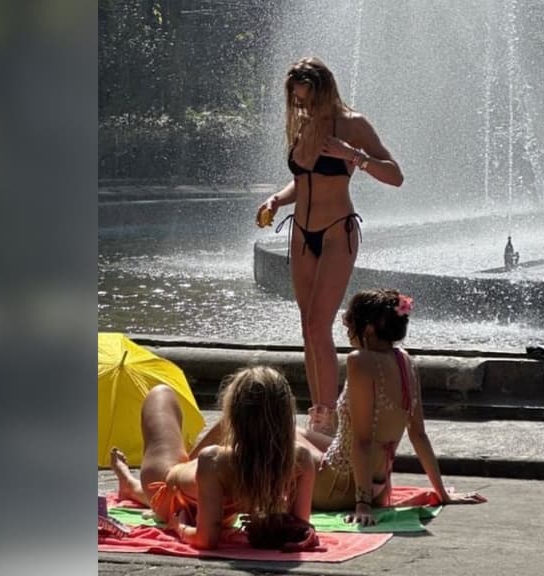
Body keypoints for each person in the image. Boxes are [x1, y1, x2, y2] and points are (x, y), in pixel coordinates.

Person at [256, 57, 404, 437]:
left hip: (338, 231)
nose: (301, 106)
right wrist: (276, 199)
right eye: (297, 100)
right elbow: (303, 180)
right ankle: (319, 410)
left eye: (306, 99)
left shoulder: (353, 124)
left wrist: (353, 156)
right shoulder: (305, 125)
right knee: (308, 325)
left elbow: (395, 175)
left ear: (324, 90)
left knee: (319, 323)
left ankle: (327, 415)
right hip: (302, 233)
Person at [297, 289, 487, 525]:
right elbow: (418, 434)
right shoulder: (405, 361)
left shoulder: (360, 361)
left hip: (339, 488)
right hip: (379, 488)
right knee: (293, 431)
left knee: (276, 434)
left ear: (368, 329)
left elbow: (363, 440)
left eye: (350, 326)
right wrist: (442, 494)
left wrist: (362, 506)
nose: (347, 332)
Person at [109, 366, 316, 550]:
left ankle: (130, 485)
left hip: (170, 494)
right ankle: (131, 484)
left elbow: (205, 540)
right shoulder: (301, 459)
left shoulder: (213, 461)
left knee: (160, 394)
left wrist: (178, 526)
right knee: (197, 462)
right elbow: (300, 526)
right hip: (196, 492)